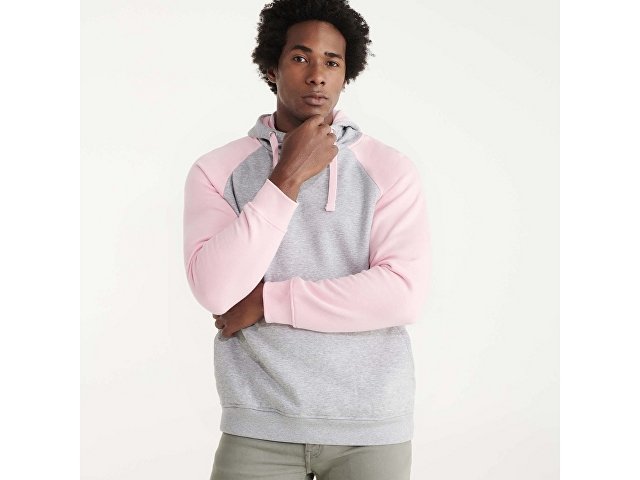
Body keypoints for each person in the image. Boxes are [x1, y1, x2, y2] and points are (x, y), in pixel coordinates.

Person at [183, 1, 431, 478]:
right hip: (259, 420)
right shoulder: (217, 171)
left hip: (370, 426)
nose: (317, 75)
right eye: (300, 58)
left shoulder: (389, 170)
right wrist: (287, 177)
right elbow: (216, 291)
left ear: (346, 74)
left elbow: (402, 294)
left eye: (332, 62)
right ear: (271, 69)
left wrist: (266, 302)